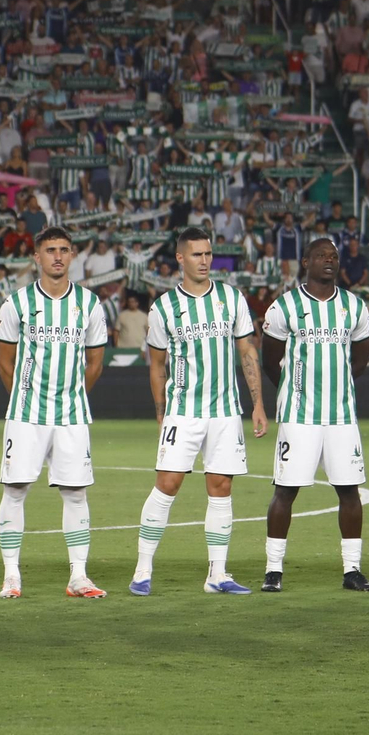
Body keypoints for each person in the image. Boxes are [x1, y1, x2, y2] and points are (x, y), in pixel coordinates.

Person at [129, 227, 268, 597]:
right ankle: (142, 570)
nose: (205, 260)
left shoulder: (231, 298)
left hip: (225, 412)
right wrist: (161, 413)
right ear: (180, 259)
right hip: (184, 410)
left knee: (221, 488)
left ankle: (217, 575)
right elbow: (157, 365)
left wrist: (256, 404)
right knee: (168, 484)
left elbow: (247, 352)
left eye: (208, 254)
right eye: (197, 255)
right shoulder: (163, 308)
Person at [0, 227, 110, 599]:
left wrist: (72, 397)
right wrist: (25, 399)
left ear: (72, 255)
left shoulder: (90, 305)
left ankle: (79, 576)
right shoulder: (17, 303)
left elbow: (95, 363)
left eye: (63, 250)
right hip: (27, 414)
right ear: (36, 258)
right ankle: (11, 575)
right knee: (15, 489)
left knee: (76, 493)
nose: (57, 256)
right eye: (50, 250)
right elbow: (4, 362)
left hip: (72, 415)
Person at [260, 238, 369, 592]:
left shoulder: (354, 307)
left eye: (335, 256)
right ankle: (273, 570)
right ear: (305, 261)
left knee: (349, 491)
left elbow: (360, 358)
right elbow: (271, 360)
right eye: (322, 255)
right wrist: (296, 388)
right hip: (299, 416)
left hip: (341, 416)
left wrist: (338, 385)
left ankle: (352, 570)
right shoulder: (285, 307)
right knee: (285, 490)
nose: (330, 260)